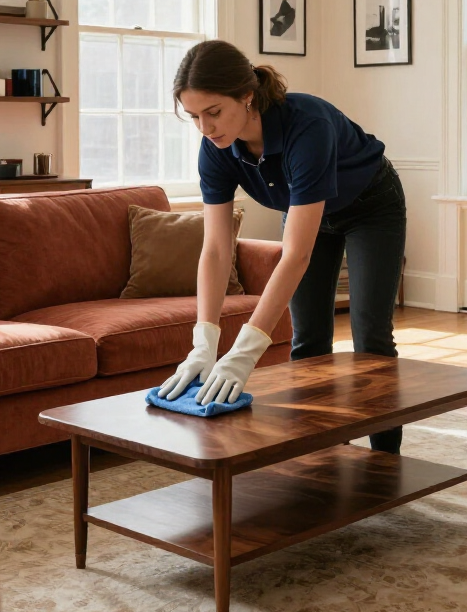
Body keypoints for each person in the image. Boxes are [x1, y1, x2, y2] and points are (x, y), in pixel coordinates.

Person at [157, 39, 407, 453]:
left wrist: (246, 349)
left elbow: (296, 254)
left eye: (214, 113)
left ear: (247, 95)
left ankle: (385, 459)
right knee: (307, 339)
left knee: (371, 338)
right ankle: (321, 451)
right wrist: (205, 339)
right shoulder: (215, 149)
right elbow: (217, 249)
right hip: (309, 211)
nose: (205, 127)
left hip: (370, 207)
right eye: (194, 116)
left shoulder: (307, 126)